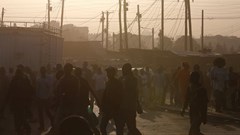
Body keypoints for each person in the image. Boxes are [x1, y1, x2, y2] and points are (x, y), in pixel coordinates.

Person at [8, 68, 34, 135]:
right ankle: (22, 128)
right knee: (20, 116)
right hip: (21, 101)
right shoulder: (24, 79)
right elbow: (30, 89)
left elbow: (10, 91)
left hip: (19, 101)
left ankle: (22, 128)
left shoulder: (16, 80)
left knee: (18, 116)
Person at [118, 63, 142, 135]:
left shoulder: (123, 79)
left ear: (126, 70)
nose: (122, 70)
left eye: (123, 69)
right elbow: (135, 94)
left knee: (122, 127)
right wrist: (138, 105)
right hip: (130, 106)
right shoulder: (133, 79)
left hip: (124, 106)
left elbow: (134, 93)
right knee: (131, 127)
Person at [100, 67, 123, 135]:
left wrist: (116, 107)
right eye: (107, 72)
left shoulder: (117, 83)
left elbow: (120, 96)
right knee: (102, 127)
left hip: (115, 108)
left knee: (119, 128)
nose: (107, 74)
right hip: (108, 108)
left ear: (113, 73)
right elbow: (105, 95)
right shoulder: (108, 82)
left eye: (109, 72)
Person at [36, 67, 54, 131]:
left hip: (46, 97)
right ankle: (42, 126)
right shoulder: (38, 79)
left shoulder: (48, 78)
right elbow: (37, 89)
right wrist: (37, 97)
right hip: (41, 97)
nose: (43, 72)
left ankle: (53, 121)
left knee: (47, 111)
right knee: (41, 113)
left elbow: (50, 86)